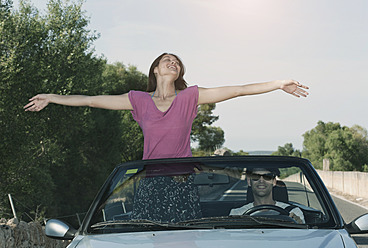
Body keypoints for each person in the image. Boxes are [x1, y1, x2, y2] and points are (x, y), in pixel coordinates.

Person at [24, 53, 309, 160]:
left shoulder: (189, 98)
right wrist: (51, 97)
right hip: (150, 179)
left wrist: (278, 82)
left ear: (179, 72)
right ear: (156, 71)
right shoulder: (138, 100)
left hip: (181, 180)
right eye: (166, 61)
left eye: (177, 62)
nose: (172, 63)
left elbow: (237, 90)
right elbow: (91, 100)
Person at [230, 167, 305, 224]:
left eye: (267, 176)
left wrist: (299, 225)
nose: (261, 180)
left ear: (274, 182)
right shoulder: (237, 214)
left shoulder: (294, 212)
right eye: (256, 176)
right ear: (249, 182)